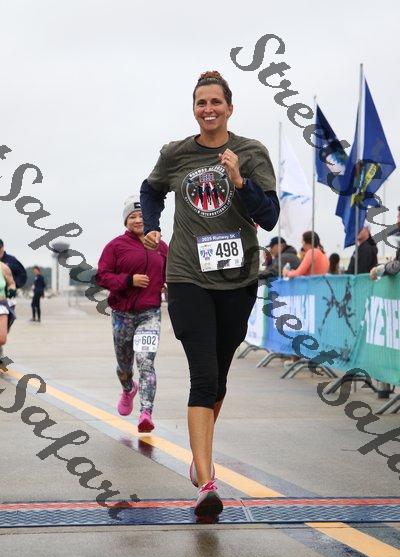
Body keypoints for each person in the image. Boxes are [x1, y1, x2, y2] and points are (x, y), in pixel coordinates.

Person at [140, 70, 279, 520]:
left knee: (218, 379)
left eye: (216, 102)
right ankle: (206, 482)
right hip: (187, 278)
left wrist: (240, 180)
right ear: (195, 109)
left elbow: (270, 217)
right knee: (202, 377)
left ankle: (200, 459)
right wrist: (152, 223)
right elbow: (150, 190)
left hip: (238, 281)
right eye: (201, 102)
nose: (208, 109)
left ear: (229, 108)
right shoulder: (176, 154)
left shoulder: (251, 152)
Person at [96, 196, 168, 433]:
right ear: (126, 221)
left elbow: (172, 272)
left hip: (150, 314)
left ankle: (146, 413)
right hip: (122, 315)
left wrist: (167, 284)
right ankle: (128, 388)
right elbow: (101, 276)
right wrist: (129, 280)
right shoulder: (116, 246)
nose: (138, 220)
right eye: (132, 217)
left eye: (142, 216)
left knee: (146, 362)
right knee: (124, 366)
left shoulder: (161, 246)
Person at [0, 261, 17, 352]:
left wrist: (12, 289)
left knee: (2, 339)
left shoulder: (3, 267)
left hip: (1, 304)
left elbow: (11, 283)